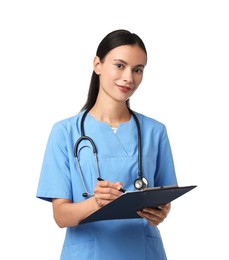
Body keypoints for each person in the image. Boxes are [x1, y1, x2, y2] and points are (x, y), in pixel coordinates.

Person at [36, 29, 177, 260]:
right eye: (119, 65)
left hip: (144, 252)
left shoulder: (156, 131)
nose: (128, 78)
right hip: (88, 253)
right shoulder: (64, 132)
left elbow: (164, 200)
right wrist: (96, 203)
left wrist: (160, 213)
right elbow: (61, 216)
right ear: (97, 65)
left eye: (137, 69)